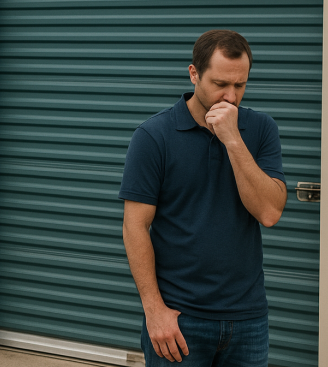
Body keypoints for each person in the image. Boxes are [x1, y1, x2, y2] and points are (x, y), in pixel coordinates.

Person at [120, 30, 287, 366]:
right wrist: (155, 312)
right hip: (180, 320)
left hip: (248, 319)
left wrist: (234, 141)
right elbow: (135, 226)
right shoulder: (154, 136)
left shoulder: (260, 129)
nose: (231, 96)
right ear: (194, 74)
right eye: (220, 83)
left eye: (240, 85)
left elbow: (269, 212)